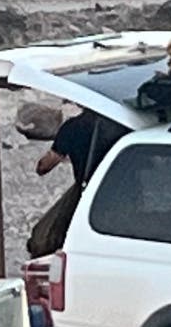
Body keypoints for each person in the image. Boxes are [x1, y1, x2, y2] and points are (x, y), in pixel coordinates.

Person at [20, 102, 127, 258]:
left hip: (89, 190)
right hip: (127, 191)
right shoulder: (121, 125)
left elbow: (44, 167)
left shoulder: (74, 127)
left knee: (43, 239)